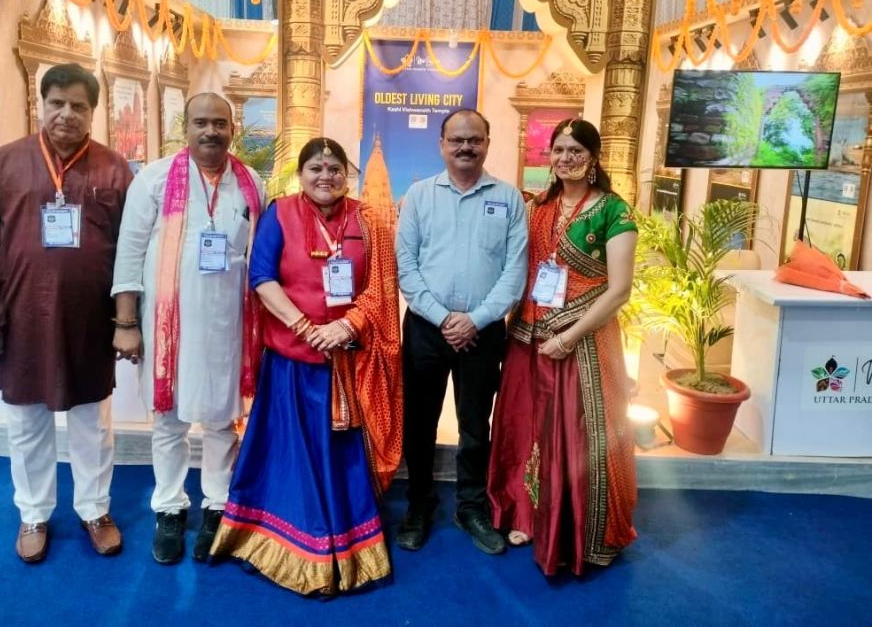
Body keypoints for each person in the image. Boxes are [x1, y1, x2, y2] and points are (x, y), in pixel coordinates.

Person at [209, 137, 403, 596]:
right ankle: (287, 536)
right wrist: (305, 327)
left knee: (339, 459)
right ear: (301, 174)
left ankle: (343, 539)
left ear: (346, 176)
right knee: (287, 459)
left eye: (335, 169)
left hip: (346, 363)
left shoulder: (368, 220)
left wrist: (346, 326)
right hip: (290, 367)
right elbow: (262, 277)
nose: (325, 177)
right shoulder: (280, 213)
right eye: (316, 168)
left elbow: (380, 287)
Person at [0, 63, 132, 563]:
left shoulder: (113, 168)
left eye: (79, 106)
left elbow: (133, 249)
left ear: (93, 112)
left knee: (92, 422)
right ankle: (33, 513)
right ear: (42, 104)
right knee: (27, 420)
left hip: (90, 321)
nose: (66, 114)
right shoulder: (7, 161)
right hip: (23, 318)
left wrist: (128, 321)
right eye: (57, 103)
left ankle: (95, 510)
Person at [111, 93, 265, 565]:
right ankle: (170, 508)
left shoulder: (251, 182)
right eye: (201, 122)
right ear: (186, 127)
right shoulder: (155, 179)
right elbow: (129, 255)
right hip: (169, 328)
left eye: (219, 123)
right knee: (169, 421)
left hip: (228, 325)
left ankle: (218, 504)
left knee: (222, 419)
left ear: (232, 129)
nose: (211, 131)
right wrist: (126, 324)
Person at [487, 118, 638, 576]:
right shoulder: (537, 207)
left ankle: (572, 529)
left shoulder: (614, 211)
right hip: (528, 337)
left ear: (593, 158)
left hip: (583, 343)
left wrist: (569, 337)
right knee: (524, 425)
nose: (566, 159)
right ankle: (525, 514)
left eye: (576, 151)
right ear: (548, 156)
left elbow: (620, 290)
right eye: (559, 150)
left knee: (576, 434)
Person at [395, 109, 528, 555]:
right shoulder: (419, 196)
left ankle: (471, 506)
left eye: (474, 139)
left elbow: (515, 272)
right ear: (441, 145)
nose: (465, 147)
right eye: (456, 140)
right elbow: (406, 267)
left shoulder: (509, 199)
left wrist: (476, 319)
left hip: (483, 331)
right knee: (420, 422)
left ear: (488, 143)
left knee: (475, 425)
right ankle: (419, 504)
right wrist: (443, 318)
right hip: (426, 329)